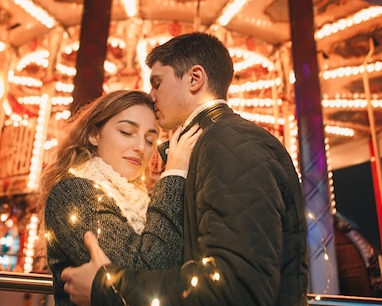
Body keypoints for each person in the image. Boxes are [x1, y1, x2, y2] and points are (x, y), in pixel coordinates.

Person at [61, 32, 309, 306]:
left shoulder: (230, 143)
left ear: (194, 78)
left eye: (157, 83)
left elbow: (236, 288)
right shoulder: (215, 143)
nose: (151, 95)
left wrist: (107, 287)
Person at [38, 89, 201, 306]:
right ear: (94, 134)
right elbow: (147, 274)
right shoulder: (73, 193)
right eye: (126, 132)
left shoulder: (144, 200)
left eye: (150, 140)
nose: (140, 147)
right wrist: (174, 175)